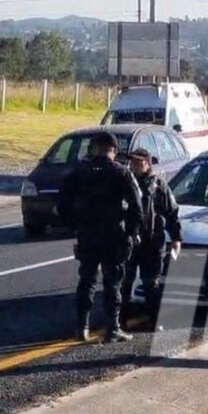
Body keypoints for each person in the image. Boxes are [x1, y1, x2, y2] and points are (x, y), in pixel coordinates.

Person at [58, 131, 143, 343]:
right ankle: (112, 328)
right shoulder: (120, 172)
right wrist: (132, 233)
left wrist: (75, 226)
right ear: (113, 150)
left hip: (87, 234)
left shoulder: (79, 172)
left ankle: (81, 327)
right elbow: (137, 207)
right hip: (113, 235)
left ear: (93, 148)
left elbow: (62, 204)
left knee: (86, 282)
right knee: (112, 284)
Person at [121, 148, 182, 331]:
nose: (135, 165)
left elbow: (172, 211)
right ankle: (119, 321)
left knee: (151, 283)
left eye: (139, 162)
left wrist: (176, 237)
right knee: (124, 282)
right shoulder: (124, 182)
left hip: (152, 241)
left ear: (148, 163)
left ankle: (155, 320)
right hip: (129, 240)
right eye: (132, 162)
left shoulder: (158, 185)